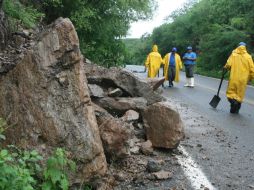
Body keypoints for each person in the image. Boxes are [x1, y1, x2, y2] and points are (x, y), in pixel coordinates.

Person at [224, 42, 254, 114]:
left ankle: (233, 103)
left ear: (238, 46)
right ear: (245, 47)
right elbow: (252, 69)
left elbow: (228, 64)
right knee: (239, 94)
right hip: (243, 80)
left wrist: (225, 68)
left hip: (234, 78)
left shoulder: (233, 55)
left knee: (231, 93)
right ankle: (236, 109)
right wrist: (251, 78)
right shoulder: (248, 57)